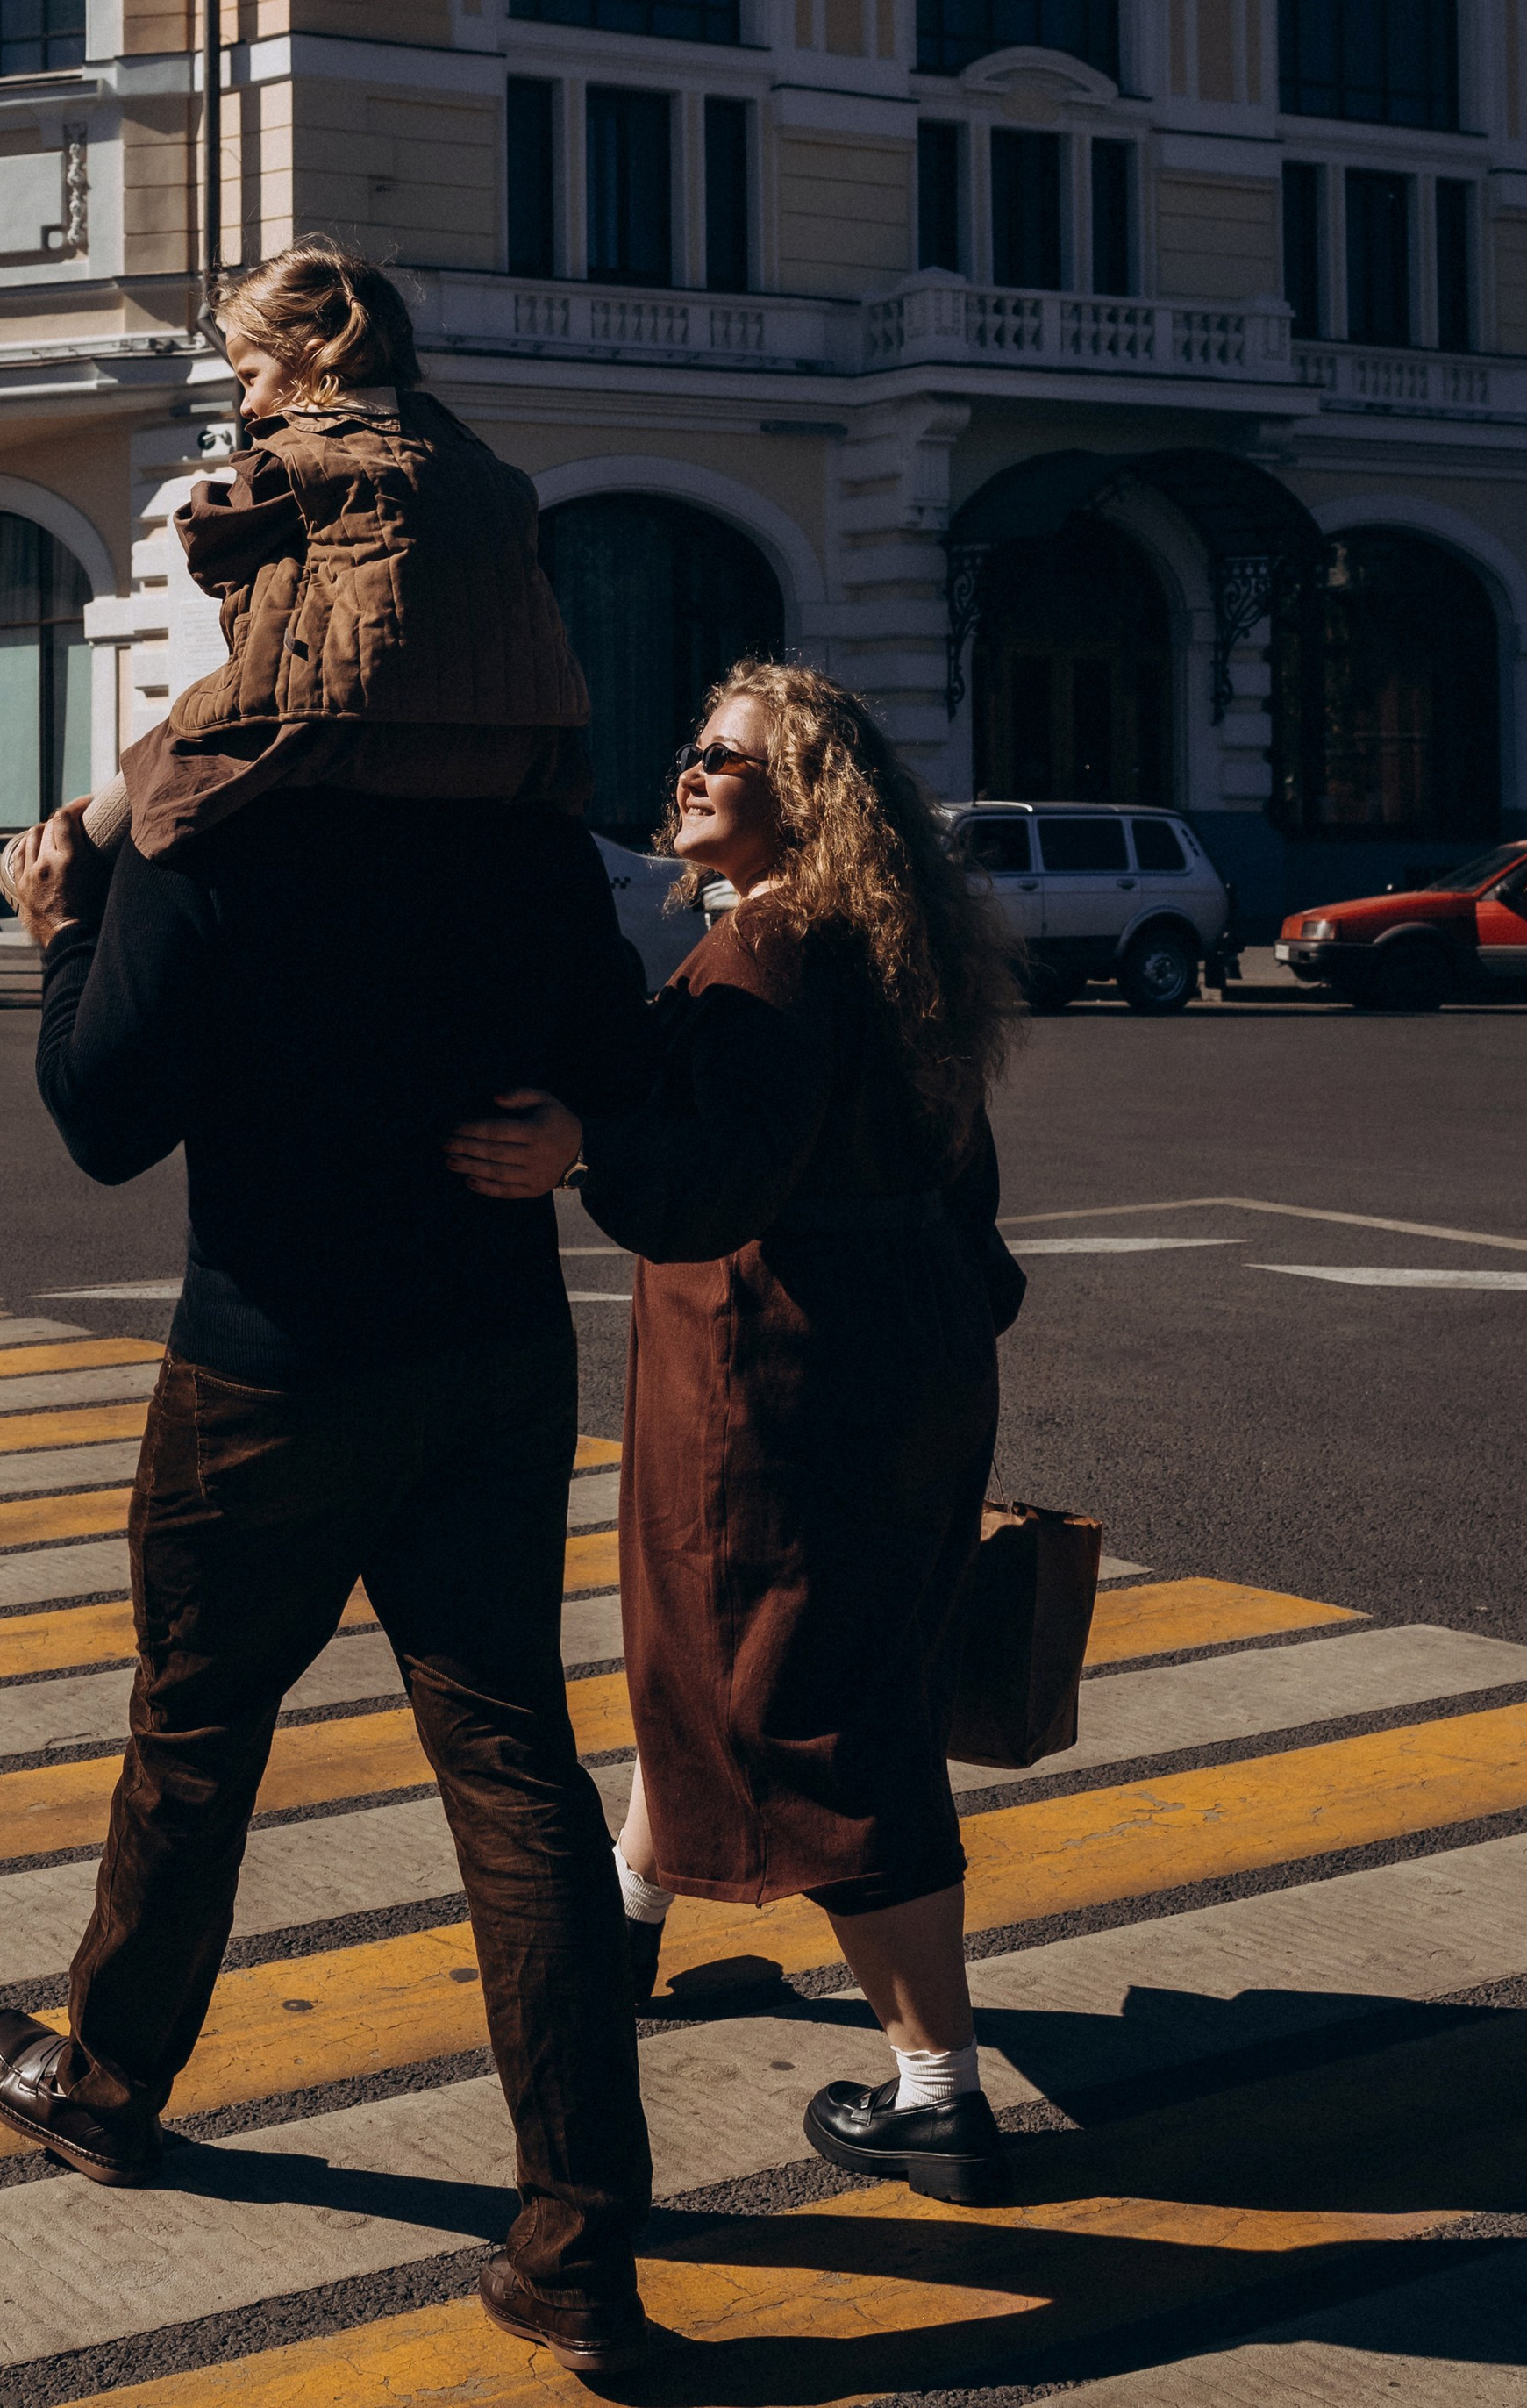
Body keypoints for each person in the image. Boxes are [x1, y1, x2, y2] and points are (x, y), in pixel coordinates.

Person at [0, 773, 656, 2376]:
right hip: (494, 1357)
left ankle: (113, 2089)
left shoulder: (218, 839)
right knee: (514, 1766)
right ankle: (577, 2242)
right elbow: (619, 1063)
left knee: (197, 1738)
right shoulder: (524, 834)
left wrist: (68, 928)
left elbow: (104, 1117)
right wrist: (563, 1121)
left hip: (268, 1375)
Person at [446, 661, 1026, 2209]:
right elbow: (965, 1182)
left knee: (807, 1712)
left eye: (730, 760)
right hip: (904, 1353)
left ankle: (939, 2093)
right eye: (693, 750)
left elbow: (707, 1188)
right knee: (718, 1658)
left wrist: (588, 1146)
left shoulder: (768, 956)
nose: (691, 775)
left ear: (808, 797)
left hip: (777, 1371)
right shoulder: (877, 947)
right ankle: (625, 1930)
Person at [42, 239, 589, 876]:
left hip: (331, 722)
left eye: (250, 376)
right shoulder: (486, 469)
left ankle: (41, 869)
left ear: (311, 357)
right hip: (518, 737)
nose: (247, 405)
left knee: (162, 771)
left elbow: (210, 536)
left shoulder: (298, 454)